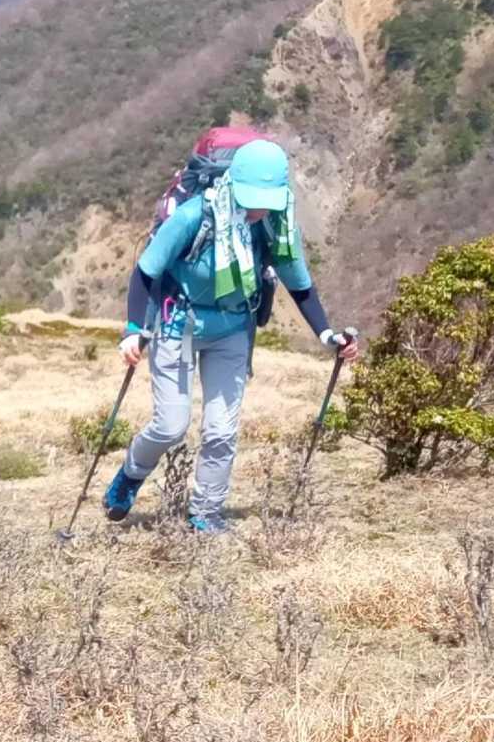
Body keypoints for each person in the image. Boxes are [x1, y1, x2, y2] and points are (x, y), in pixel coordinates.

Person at [102, 139, 361, 531]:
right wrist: (134, 329)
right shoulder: (195, 216)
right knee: (170, 425)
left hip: (233, 329)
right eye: (252, 200)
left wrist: (328, 336)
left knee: (221, 430)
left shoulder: (276, 228)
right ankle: (131, 474)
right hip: (177, 325)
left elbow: (300, 286)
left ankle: (206, 513)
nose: (258, 209)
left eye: (266, 201)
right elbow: (146, 271)